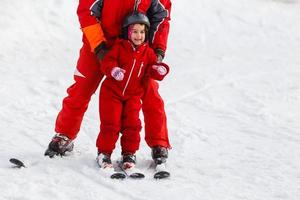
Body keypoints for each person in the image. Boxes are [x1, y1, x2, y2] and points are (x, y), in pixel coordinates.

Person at [44, 0, 171, 166]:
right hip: (101, 45)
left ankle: (159, 144)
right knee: (81, 87)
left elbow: (161, 17)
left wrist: (157, 50)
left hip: (134, 47)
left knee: (151, 93)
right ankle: (64, 135)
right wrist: (99, 47)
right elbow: (86, 11)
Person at [96, 12, 169, 169]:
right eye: (134, 31)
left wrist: (159, 70)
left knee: (133, 125)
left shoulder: (147, 52)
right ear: (127, 32)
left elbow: (151, 70)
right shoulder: (119, 47)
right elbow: (107, 62)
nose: (138, 35)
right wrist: (114, 71)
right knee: (111, 124)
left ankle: (129, 154)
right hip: (112, 93)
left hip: (133, 95)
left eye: (142, 32)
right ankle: (104, 153)